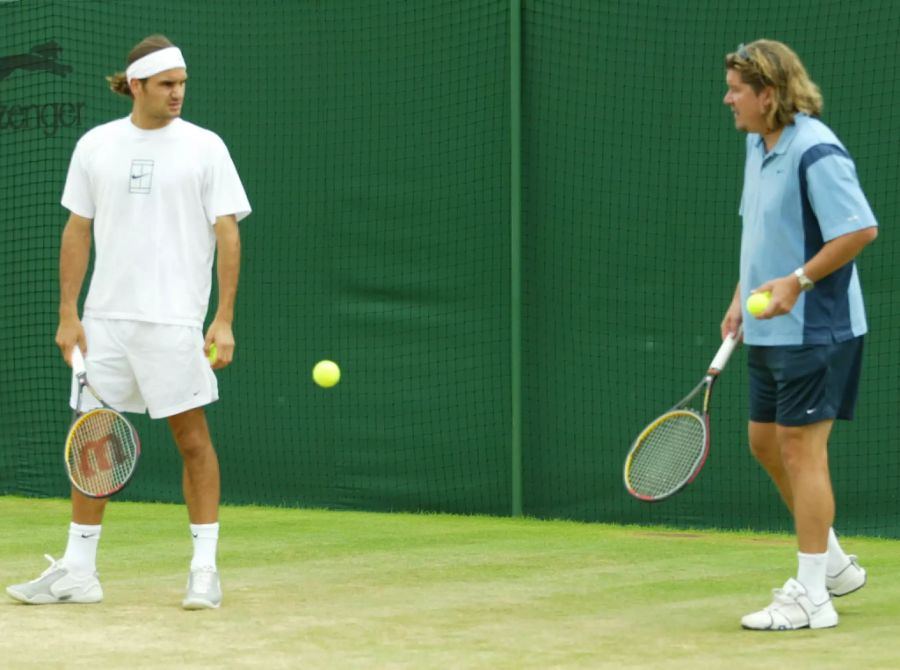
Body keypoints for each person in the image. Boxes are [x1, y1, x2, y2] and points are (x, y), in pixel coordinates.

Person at [6, 35, 251, 610]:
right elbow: (77, 230)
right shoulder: (96, 145)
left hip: (174, 321)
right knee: (93, 441)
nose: (178, 94)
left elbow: (228, 233)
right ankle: (78, 572)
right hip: (105, 321)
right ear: (136, 84)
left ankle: (204, 570)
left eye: (183, 84)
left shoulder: (205, 147)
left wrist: (224, 318)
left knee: (193, 441)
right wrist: (69, 314)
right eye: (167, 84)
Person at [720, 39, 877, 630]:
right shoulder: (759, 147)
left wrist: (797, 282)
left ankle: (813, 596)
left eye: (738, 88)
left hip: (818, 327)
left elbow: (860, 229)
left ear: (769, 93)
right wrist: (741, 296)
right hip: (768, 325)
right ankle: (833, 563)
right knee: (764, 443)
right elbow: (758, 229)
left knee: (800, 449)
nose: (728, 97)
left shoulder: (817, 150)